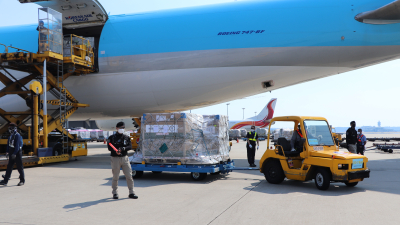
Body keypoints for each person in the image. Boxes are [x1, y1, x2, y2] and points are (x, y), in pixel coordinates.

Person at [107, 122, 138, 199]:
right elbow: (109, 147)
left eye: (123, 128)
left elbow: (130, 146)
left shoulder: (126, 137)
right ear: (116, 128)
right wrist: (116, 151)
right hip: (115, 159)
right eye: (120, 128)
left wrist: (123, 148)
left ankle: (131, 192)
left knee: (129, 176)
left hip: (125, 158)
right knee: (115, 177)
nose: (122, 129)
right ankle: (115, 193)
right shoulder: (111, 137)